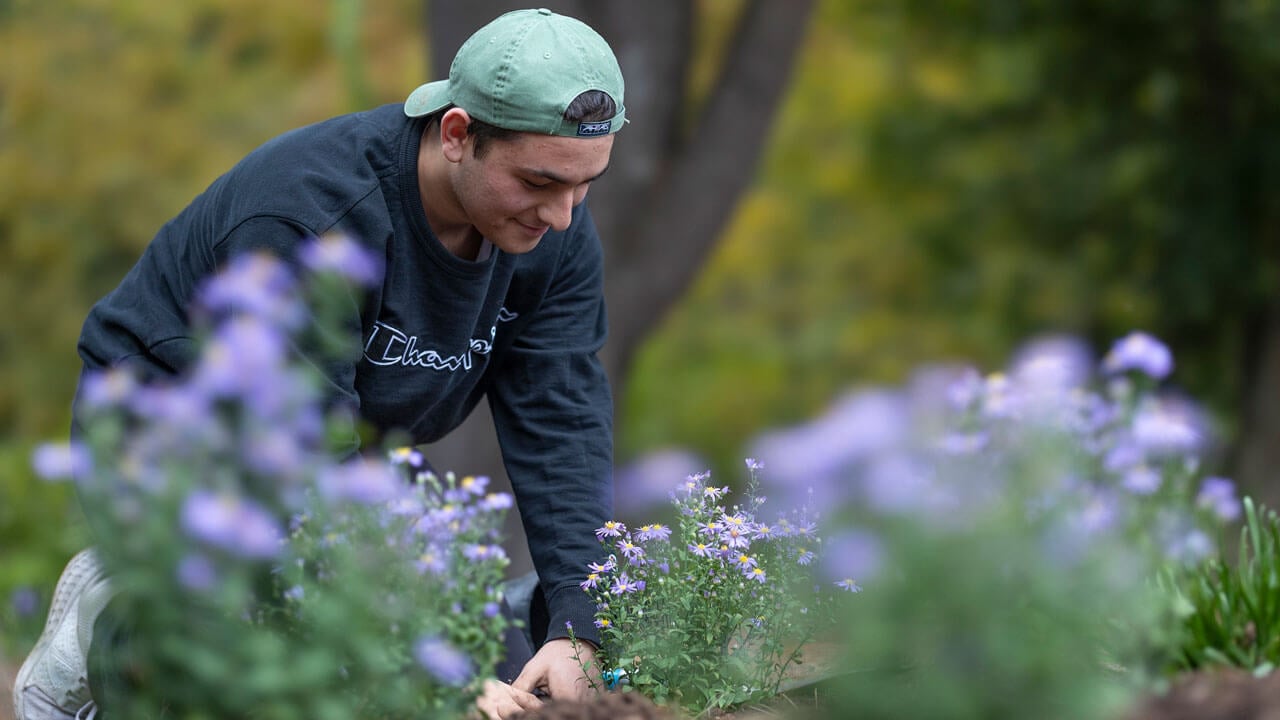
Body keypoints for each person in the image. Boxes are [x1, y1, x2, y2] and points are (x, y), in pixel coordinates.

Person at [13, 7, 624, 720]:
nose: (561, 215)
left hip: (337, 453)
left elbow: (563, 422)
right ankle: (112, 616)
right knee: (264, 653)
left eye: (585, 187)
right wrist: (424, 659)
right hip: (170, 440)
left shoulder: (555, 235)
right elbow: (299, 464)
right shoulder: (311, 216)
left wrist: (581, 626)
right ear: (458, 134)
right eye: (540, 183)